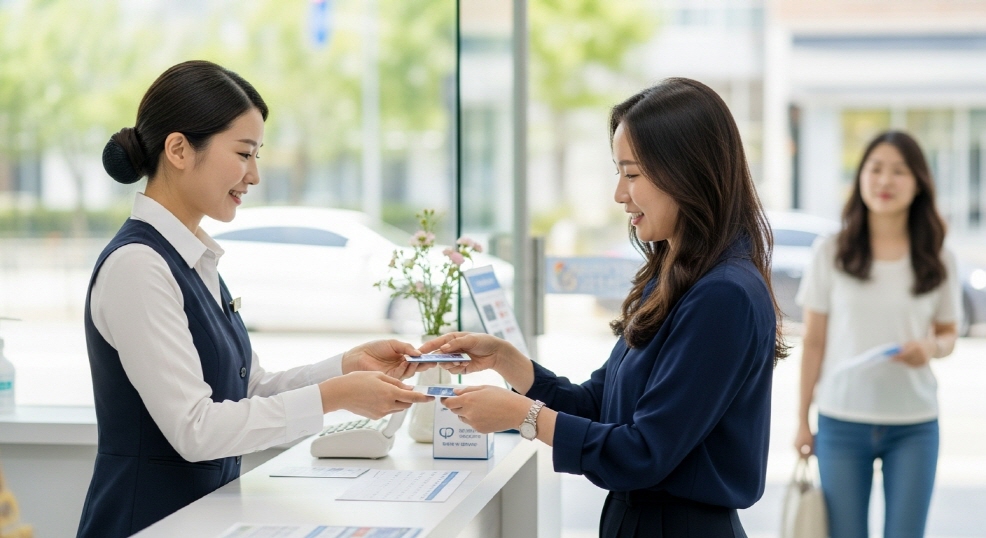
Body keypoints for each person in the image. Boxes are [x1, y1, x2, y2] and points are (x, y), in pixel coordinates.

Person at [78, 60, 432, 538]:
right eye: (244, 153)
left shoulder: (190, 258)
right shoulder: (138, 266)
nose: (254, 176)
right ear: (179, 149)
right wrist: (334, 397)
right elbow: (197, 429)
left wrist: (345, 368)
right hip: (145, 524)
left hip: (202, 521)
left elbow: (246, 391)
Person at [421, 78, 787, 538]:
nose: (619, 194)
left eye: (632, 174)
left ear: (688, 172)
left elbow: (642, 451)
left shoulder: (723, 295)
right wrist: (508, 363)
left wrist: (523, 417)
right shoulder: (675, 274)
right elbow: (602, 406)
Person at [793, 131, 959, 538]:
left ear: (919, 182)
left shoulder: (938, 256)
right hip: (841, 421)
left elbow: (949, 332)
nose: (885, 181)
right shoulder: (830, 252)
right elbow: (814, 342)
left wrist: (931, 347)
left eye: (899, 171)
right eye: (875, 168)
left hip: (914, 424)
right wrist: (801, 420)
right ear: (860, 177)